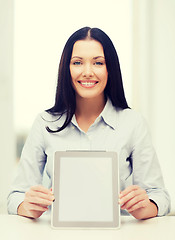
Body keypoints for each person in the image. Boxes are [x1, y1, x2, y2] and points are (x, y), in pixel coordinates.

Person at [7, 27, 170, 220]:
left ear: (111, 69)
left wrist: (147, 206)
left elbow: (160, 196)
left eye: (98, 63)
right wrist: (26, 206)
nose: (87, 72)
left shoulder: (133, 123)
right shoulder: (44, 123)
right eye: (77, 62)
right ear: (66, 68)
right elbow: (15, 197)